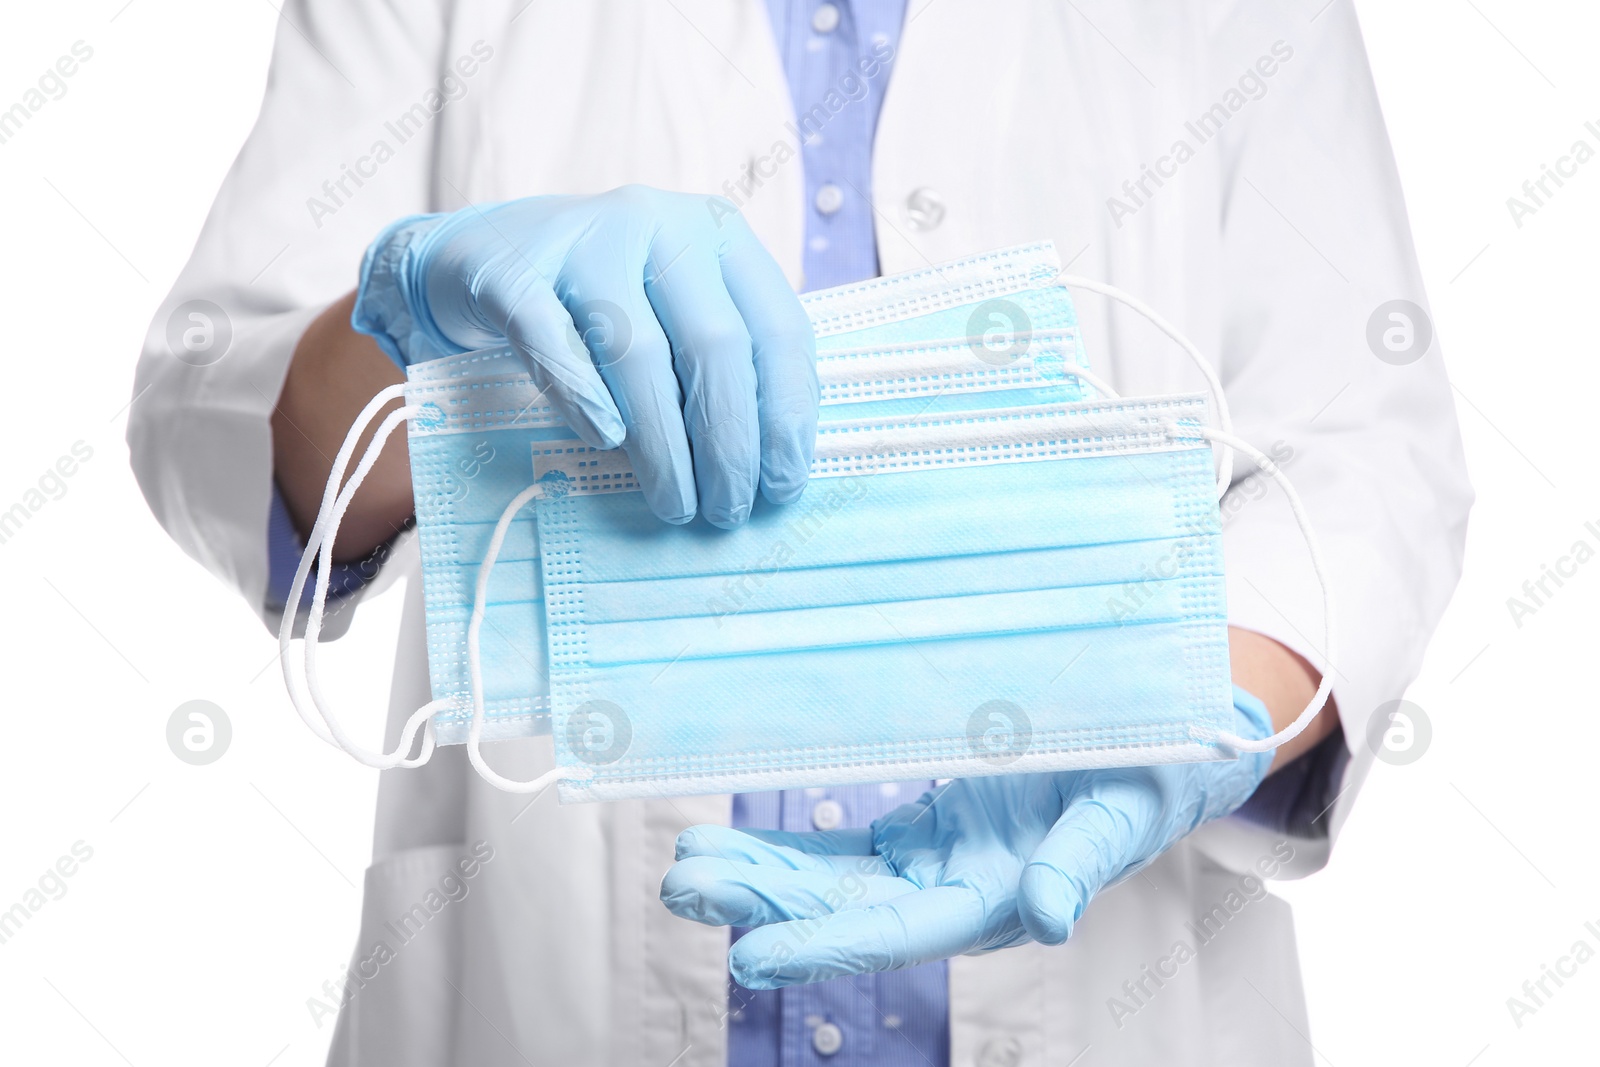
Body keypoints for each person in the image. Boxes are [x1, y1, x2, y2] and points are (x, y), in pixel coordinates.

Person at [129, 2, 1471, 1064]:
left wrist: (1169, 723)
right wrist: (415, 320)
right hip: (538, 991)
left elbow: (1366, 450)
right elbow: (210, 397)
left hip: (1124, 985)